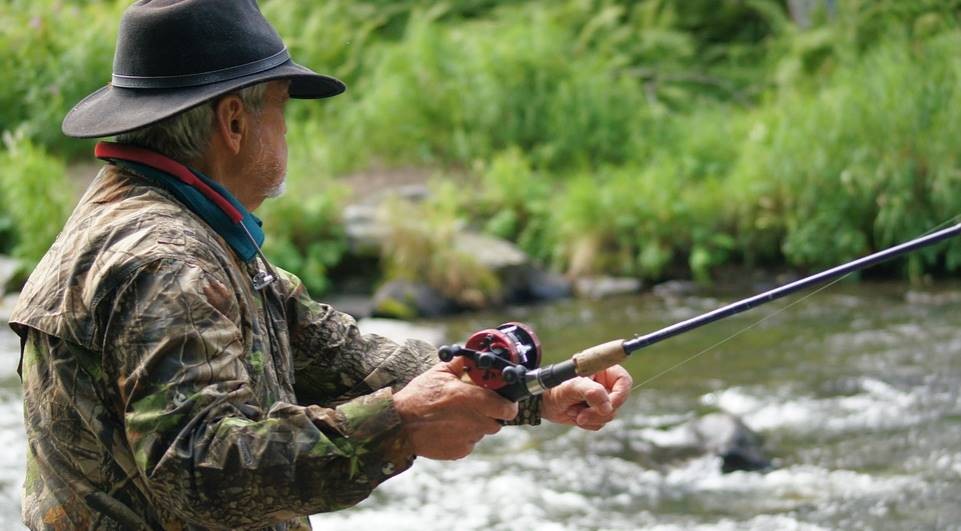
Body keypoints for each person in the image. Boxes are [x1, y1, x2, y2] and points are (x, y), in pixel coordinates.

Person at [9, 1, 632, 529]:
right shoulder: (165, 258)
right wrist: (400, 424)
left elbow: (334, 352)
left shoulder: (167, 222)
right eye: (281, 107)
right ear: (233, 121)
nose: (286, 131)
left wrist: (528, 391)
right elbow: (195, 466)